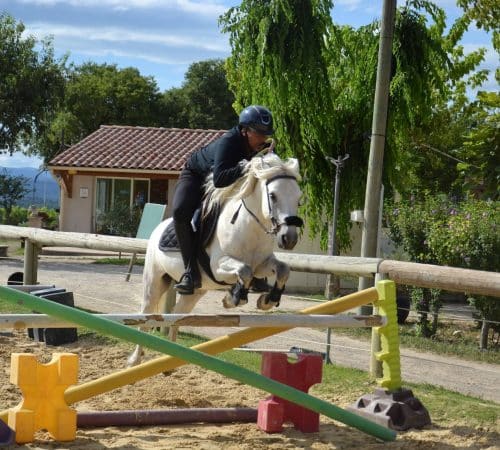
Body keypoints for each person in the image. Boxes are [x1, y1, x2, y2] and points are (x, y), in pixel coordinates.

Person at [172, 105, 275, 295]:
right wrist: (248, 165)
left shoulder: (260, 146)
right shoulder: (229, 142)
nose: (263, 139)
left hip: (225, 180)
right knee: (179, 212)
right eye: (259, 134)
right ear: (245, 130)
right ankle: (189, 272)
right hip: (197, 176)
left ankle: (258, 275)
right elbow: (219, 180)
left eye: (266, 135)